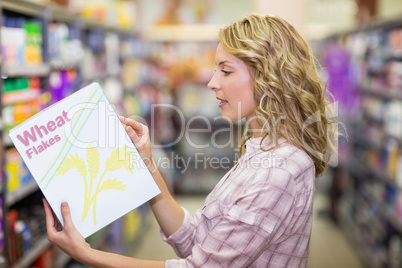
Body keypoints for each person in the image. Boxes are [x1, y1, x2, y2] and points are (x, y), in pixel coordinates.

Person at [43, 13, 340, 267]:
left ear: (268, 77)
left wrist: (87, 254)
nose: (212, 82)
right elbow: (197, 239)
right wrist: (146, 162)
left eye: (225, 71)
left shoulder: (277, 172)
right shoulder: (262, 150)